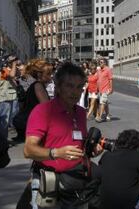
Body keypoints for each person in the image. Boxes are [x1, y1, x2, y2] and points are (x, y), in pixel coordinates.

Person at [22, 62, 103, 209]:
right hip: (50, 184)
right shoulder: (43, 111)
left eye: (79, 87)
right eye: (69, 86)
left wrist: (91, 149)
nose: (75, 92)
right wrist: (56, 153)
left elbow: (78, 143)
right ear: (58, 87)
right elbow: (28, 150)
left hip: (76, 182)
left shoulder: (80, 112)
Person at [13, 59, 53, 142]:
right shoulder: (38, 86)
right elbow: (46, 108)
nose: (51, 76)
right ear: (39, 74)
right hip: (37, 125)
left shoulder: (36, 85)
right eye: (48, 74)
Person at [0, 55, 19, 141]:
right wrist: (14, 64)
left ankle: (2, 139)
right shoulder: (2, 70)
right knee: (3, 121)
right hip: (4, 98)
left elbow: (15, 79)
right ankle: (2, 140)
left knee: (6, 121)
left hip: (8, 98)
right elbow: (12, 75)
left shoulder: (5, 70)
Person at [96, 58, 113, 122]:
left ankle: (100, 117)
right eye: (99, 62)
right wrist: (97, 88)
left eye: (101, 62)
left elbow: (110, 79)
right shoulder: (99, 70)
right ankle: (107, 115)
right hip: (100, 89)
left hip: (105, 89)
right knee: (105, 103)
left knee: (102, 102)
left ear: (105, 63)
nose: (100, 63)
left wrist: (111, 88)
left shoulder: (108, 70)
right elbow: (97, 80)